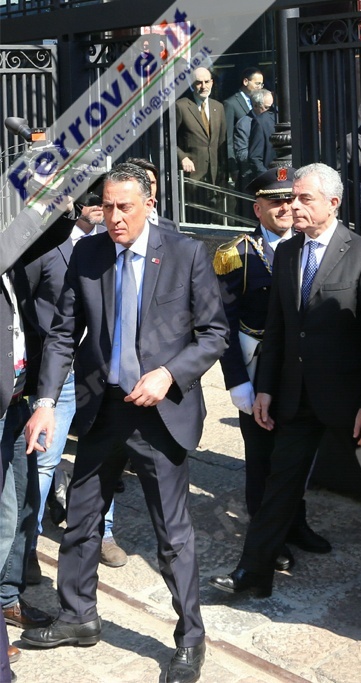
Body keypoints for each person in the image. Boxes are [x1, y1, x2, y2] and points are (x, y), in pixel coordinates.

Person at [21, 163, 229, 683]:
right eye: (107, 207)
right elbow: (64, 333)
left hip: (160, 413)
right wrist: (45, 401)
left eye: (125, 208)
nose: (114, 218)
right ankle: (78, 616)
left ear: (148, 205)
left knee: (171, 533)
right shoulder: (88, 253)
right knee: (82, 519)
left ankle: (190, 639)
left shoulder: (186, 253)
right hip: (103, 408)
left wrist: (170, 374)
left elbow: (214, 333)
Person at [207, 164, 361, 597]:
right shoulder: (289, 252)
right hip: (295, 395)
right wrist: (266, 388)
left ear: (333, 203)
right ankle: (253, 572)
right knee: (280, 482)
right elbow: (277, 329)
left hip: (349, 400)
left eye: (303, 198)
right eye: (291, 198)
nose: (293, 205)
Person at [213, 167, 327, 574]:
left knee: (296, 457)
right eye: (275, 201)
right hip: (257, 368)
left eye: (290, 199)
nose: (285, 208)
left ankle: (295, 523)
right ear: (257, 208)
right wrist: (237, 382)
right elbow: (222, 324)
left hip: (300, 372)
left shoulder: (310, 246)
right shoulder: (236, 255)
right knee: (262, 458)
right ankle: (267, 536)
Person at [21, 187, 127, 577]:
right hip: (60, 375)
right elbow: (25, 305)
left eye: (107, 200)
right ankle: (27, 546)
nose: (101, 207)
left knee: (103, 455)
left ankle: (104, 532)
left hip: (103, 372)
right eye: (93, 199)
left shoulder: (116, 245)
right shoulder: (46, 247)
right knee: (45, 460)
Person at [0, 201, 76, 679]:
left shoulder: (11, 250)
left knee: (24, 503)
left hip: (15, 399)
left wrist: (64, 202)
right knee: (4, 515)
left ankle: (7, 598)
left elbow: (45, 236)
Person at [175, 66, 226, 222]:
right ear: (192, 84)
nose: (203, 86)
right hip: (192, 175)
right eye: (199, 82)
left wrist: (225, 172)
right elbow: (168, 139)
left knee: (214, 219)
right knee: (195, 219)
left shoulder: (218, 107)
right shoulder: (181, 106)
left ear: (212, 82)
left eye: (207, 82)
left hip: (214, 176)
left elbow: (222, 142)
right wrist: (182, 157)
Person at [223, 68, 265, 183]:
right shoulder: (231, 103)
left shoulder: (261, 101)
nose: (260, 87)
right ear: (246, 82)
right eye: (257, 83)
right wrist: (233, 167)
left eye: (261, 84)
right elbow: (228, 139)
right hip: (243, 166)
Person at [235, 89, 276, 191]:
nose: (270, 111)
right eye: (267, 107)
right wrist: (259, 159)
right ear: (255, 106)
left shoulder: (273, 118)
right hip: (253, 176)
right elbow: (241, 153)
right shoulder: (244, 124)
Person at [124, 157, 178, 233]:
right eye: (144, 183)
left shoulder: (169, 227)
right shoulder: (115, 225)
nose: (149, 188)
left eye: (152, 183)